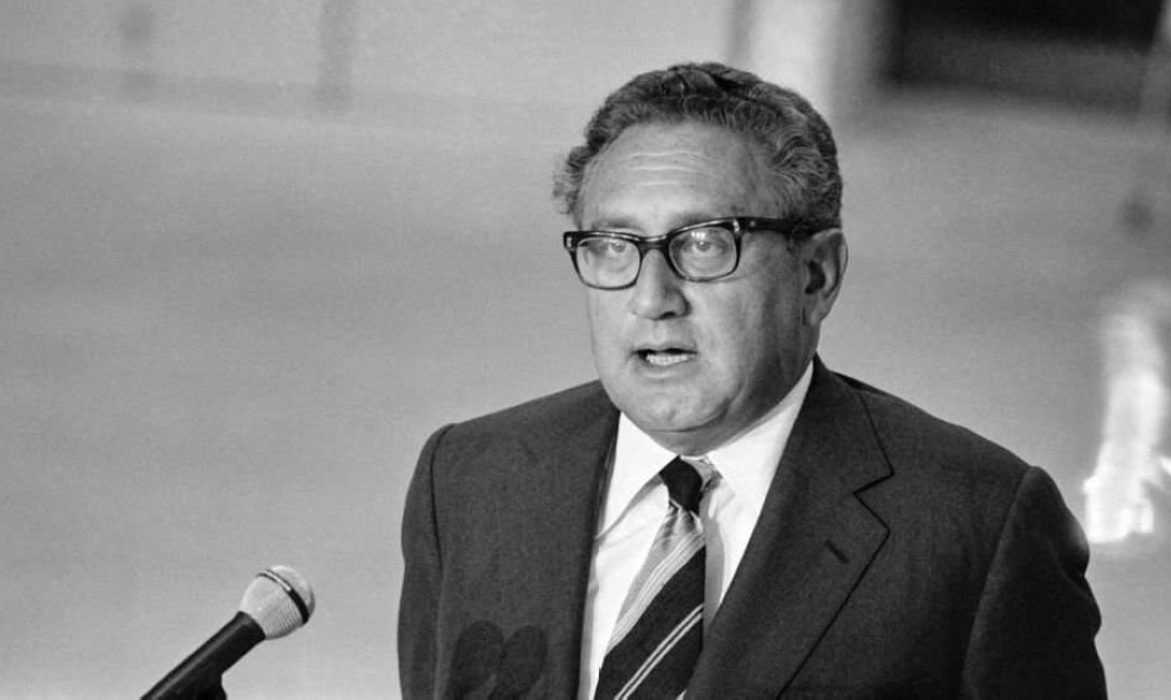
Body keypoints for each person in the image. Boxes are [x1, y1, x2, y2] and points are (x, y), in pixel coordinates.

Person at [398, 62, 1106, 699]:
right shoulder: (468, 480)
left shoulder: (976, 530)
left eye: (705, 244)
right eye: (614, 247)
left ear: (816, 275)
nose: (652, 298)